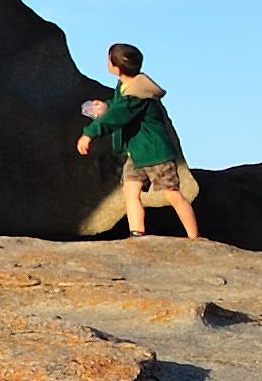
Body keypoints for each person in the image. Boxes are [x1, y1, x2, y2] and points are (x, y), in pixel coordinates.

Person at [79, 43, 200, 239]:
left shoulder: (137, 93)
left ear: (116, 67)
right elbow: (119, 107)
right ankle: (137, 234)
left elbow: (117, 116)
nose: (106, 62)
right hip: (136, 153)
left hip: (155, 153)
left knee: (173, 195)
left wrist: (89, 133)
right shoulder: (126, 87)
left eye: (108, 59)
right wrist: (106, 105)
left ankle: (195, 237)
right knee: (130, 191)